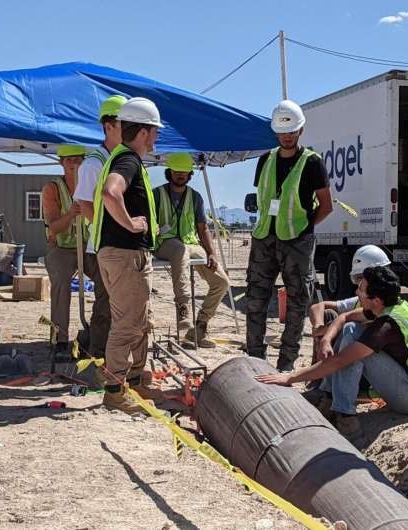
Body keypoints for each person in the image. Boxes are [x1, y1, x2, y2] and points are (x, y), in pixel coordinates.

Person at [256, 266, 408, 438]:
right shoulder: (388, 305)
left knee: (353, 346)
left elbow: (339, 361)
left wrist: (290, 378)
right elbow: (345, 317)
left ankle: (346, 418)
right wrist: (327, 340)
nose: (356, 293)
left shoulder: (387, 325)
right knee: (352, 328)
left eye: (361, 290)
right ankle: (328, 398)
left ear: (376, 299)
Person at [246, 99, 333, 372]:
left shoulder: (312, 163)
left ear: (300, 131)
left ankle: (286, 365)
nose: (286, 136)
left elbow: (326, 205)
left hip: (297, 241)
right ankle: (256, 361)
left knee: (297, 303)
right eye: (282, 131)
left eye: (291, 131)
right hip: (264, 238)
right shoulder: (265, 160)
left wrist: (304, 228)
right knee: (256, 299)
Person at [91, 97, 163, 413]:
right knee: (126, 325)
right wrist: (132, 224)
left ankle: (132, 384)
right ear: (144, 132)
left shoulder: (122, 157)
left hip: (118, 254)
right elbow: (110, 192)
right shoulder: (128, 161)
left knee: (136, 321)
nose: (157, 138)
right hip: (125, 255)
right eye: (155, 132)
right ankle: (115, 393)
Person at [153, 152, 230, 347]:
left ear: (189, 175)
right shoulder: (156, 194)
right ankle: (183, 306)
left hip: (191, 243)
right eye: (177, 172)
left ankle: (200, 327)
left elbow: (203, 229)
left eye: (184, 172)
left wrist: (211, 253)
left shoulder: (195, 197)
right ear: (169, 172)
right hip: (165, 242)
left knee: (221, 282)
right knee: (179, 250)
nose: (180, 175)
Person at [72, 95, 127, 357]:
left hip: (120, 244)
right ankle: (97, 357)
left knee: (121, 307)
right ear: (108, 126)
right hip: (103, 246)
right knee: (105, 306)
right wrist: (113, 227)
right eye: (123, 124)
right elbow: (84, 205)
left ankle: (112, 358)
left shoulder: (120, 159)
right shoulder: (94, 163)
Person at [305, 245, 391, 390]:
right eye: (357, 279)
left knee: (348, 328)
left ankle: (327, 387)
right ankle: (320, 377)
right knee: (328, 315)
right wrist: (319, 329)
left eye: (362, 279)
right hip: (350, 362)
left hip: (370, 368)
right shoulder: (360, 300)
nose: (359, 286)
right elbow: (317, 307)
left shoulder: (383, 306)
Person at [42, 144, 99, 358]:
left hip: (88, 247)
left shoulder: (92, 187)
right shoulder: (53, 188)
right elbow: (54, 227)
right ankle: (60, 339)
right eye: (70, 160)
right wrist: (72, 213)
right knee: (61, 282)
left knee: (107, 280)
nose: (75, 165)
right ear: (61, 163)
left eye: (78, 160)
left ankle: (98, 332)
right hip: (61, 246)